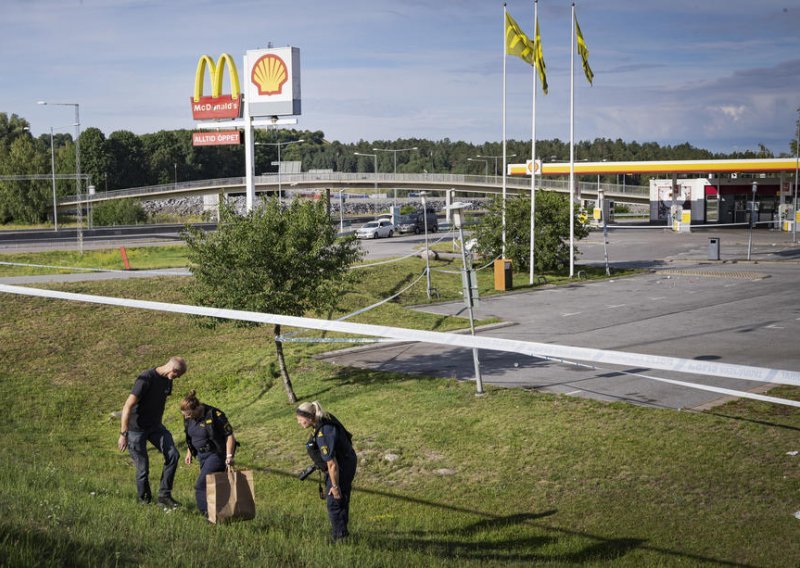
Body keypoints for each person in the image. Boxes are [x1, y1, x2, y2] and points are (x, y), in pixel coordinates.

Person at [117, 356, 186, 509]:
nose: (177, 378)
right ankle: (145, 501)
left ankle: (164, 496)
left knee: (173, 455)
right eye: (178, 375)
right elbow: (127, 406)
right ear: (173, 370)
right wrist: (124, 434)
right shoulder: (146, 378)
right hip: (136, 429)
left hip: (155, 427)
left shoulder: (168, 379)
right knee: (143, 468)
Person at [295, 401, 357, 542]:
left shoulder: (324, 432)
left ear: (309, 417)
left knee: (334, 500)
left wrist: (335, 486)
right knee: (339, 499)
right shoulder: (322, 420)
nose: (298, 422)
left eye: (300, 419)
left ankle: (340, 538)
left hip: (342, 465)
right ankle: (342, 533)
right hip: (345, 460)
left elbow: (332, 464)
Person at [180, 390, 238, 518]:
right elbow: (192, 435)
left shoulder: (214, 414)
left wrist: (229, 456)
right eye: (185, 415)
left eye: (189, 415)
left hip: (216, 454)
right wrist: (189, 452)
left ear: (196, 408)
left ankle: (207, 515)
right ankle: (223, 514)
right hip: (201, 456)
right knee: (213, 486)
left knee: (201, 485)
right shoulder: (189, 417)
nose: (187, 418)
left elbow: (229, 435)